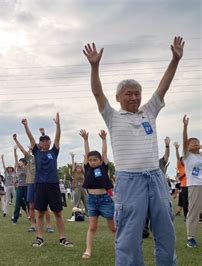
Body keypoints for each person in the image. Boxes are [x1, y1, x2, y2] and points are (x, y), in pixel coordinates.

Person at [83, 36, 184, 265]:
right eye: (128, 93)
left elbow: (163, 86)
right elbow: (98, 94)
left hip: (156, 179)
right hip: (130, 181)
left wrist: (175, 60)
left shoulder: (149, 112)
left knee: (166, 233)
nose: (134, 97)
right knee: (128, 237)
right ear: (118, 97)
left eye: (137, 93)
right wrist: (95, 66)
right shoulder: (113, 117)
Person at [22, 114, 73, 248]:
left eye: (47, 140)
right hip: (40, 185)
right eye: (42, 141)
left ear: (50, 143)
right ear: (39, 144)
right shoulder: (37, 153)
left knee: (58, 213)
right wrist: (26, 125)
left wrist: (58, 125)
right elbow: (31, 138)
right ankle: (39, 237)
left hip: (53, 185)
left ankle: (62, 238)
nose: (45, 142)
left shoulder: (54, 152)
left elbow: (58, 137)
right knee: (40, 213)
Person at [79, 129, 116, 259]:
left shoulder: (104, 167)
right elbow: (87, 152)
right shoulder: (88, 167)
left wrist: (104, 139)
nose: (93, 162)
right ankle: (88, 250)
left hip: (105, 199)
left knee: (113, 227)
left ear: (100, 161)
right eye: (91, 160)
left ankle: (120, 247)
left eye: (95, 160)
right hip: (92, 200)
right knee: (92, 227)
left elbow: (104, 152)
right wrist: (85, 140)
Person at [182, 115, 201, 248]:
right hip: (195, 185)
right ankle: (191, 238)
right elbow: (184, 141)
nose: (194, 143)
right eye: (192, 142)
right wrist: (185, 126)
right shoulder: (188, 156)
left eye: (196, 142)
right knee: (194, 211)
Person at [12, 147, 28, 224]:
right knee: (18, 203)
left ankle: (32, 218)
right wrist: (14, 151)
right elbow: (15, 159)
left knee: (28, 202)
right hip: (19, 187)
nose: (19, 163)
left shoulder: (27, 168)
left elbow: (28, 157)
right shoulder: (18, 169)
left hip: (26, 187)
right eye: (19, 162)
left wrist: (30, 150)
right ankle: (15, 219)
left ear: (24, 162)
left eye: (21, 161)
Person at [174, 142, 188, 219]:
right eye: (182, 159)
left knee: (193, 202)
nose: (183, 160)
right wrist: (177, 149)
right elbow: (177, 157)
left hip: (192, 185)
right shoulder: (180, 167)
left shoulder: (189, 165)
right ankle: (186, 217)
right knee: (185, 202)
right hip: (184, 186)